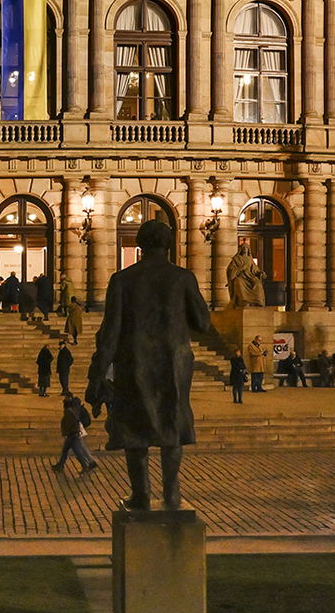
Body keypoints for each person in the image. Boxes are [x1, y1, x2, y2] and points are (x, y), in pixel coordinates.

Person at [85, 218, 211, 510]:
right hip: (174, 362)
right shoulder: (183, 278)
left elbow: (110, 333)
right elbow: (203, 323)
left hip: (135, 362)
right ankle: (172, 493)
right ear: (169, 244)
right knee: (172, 423)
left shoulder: (122, 280)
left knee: (135, 429)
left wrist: (97, 373)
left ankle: (141, 494)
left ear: (140, 244)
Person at [51, 392, 97, 474]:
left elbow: (70, 423)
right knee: (71, 450)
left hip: (72, 434)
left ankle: (85, 464)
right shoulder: (72, 409)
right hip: (73, 433)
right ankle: (61, 465)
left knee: (76, 450)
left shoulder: (70, 411)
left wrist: (66, 432)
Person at [225, 243, 266, 307]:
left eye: (246, 248)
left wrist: (260, 273)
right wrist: (240, 269)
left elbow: (255, 269)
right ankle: (244, 301)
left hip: (250, 277)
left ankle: (258, 301)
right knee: (239, 283)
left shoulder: (250, 259)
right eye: (243, 248)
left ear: (248, 249)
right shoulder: (236, 259)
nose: (245, 249)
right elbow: (230, 270)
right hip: (240, 277)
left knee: (257, 283)